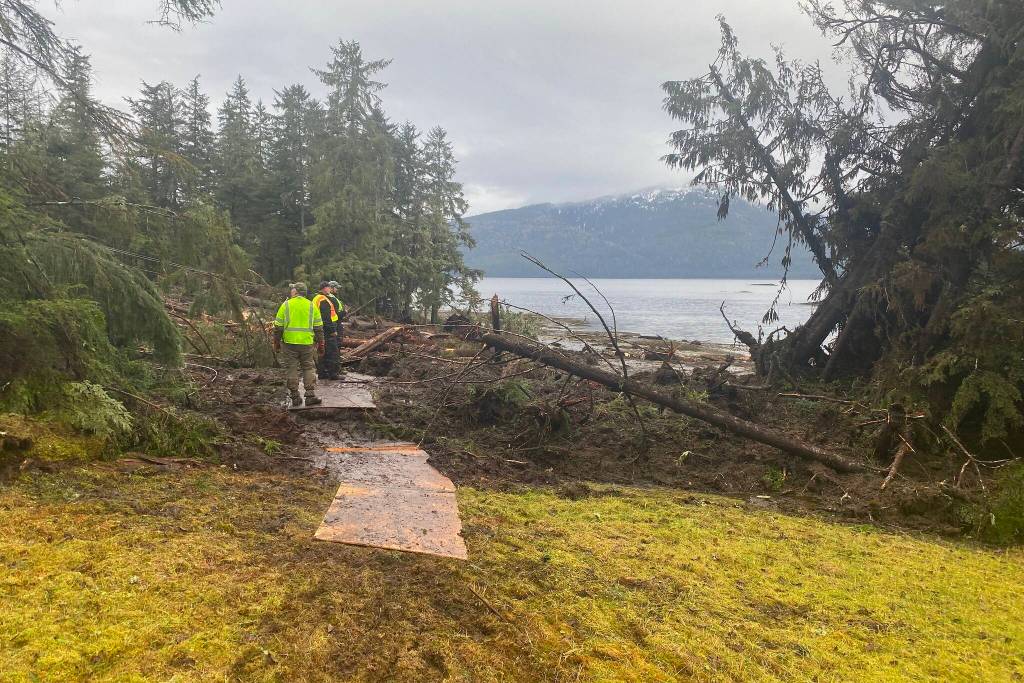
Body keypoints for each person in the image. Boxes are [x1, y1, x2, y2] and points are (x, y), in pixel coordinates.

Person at [273, 282, 324, 407]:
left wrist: (276, 343)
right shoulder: (312, 306)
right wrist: (321, 344)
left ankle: (295, 396)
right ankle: (310, 395)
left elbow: (278, 327)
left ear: (295, 292)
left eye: (292, 289)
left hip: (289, 344)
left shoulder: (286, 305)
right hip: (307, 343)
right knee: (308, 367)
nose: (291, 291)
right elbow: (318, 328)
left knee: (291, 368)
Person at [312, 281, 341, 380]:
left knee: (322, 351)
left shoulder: (316, 298)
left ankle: (322, 373)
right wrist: (332, 330)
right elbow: (326, 317)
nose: (330, 289)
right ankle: (333, 374)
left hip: (319, 327)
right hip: (327, 329)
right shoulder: (323, 300)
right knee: (332, 351)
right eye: (328, 287)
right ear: (325, 288)